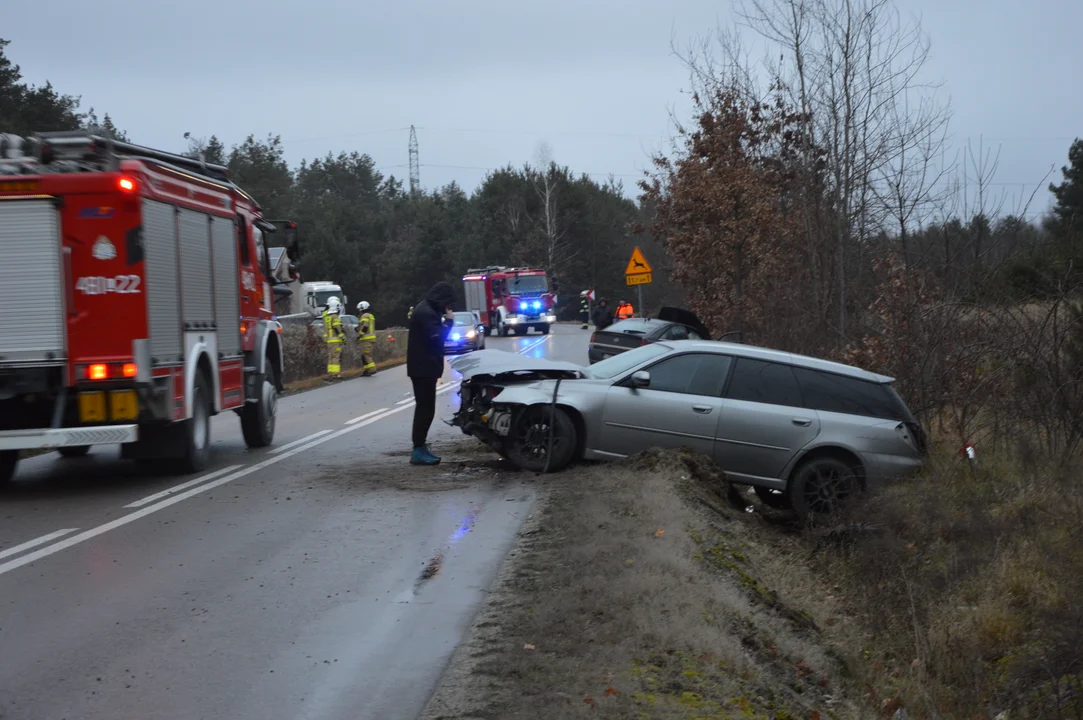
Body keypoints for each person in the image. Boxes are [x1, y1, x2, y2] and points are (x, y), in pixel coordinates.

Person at [407, 281, 457, 466]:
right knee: (425, 409)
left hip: (424, 366)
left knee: (425, 408)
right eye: (448, 303)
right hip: (423, 368)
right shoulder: (427, 313)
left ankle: (420, 446)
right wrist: (449, 321)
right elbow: (438, 338)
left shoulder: (427, 309)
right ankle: (418, 449)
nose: (449, 307)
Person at [322, 296, 345, 381]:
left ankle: (331, 373)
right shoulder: (334, 316)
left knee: (331, 357)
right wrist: (343, 338)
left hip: (329, 340)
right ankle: (336, 374)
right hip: (335, 340)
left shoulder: (327, 316)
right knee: (336, 357)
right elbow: (337, 328)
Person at [357, 300, 377, 377]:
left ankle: (372, 369)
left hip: (366, 339)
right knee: (364, 355)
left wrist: (360, 335)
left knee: (366, 355)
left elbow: (365, 326)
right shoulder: (370, 315)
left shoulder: (364, 315)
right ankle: (366, 370)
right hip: (370, 339)